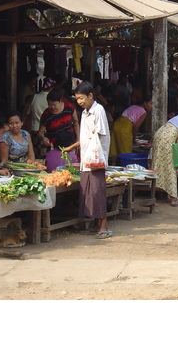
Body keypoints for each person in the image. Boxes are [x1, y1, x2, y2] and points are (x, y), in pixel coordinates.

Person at [69, 80, 112, 238]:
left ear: (90, 95)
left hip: (96, 159)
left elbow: (99, 135)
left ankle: (104, 226)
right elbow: (86, 137)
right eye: (77, 99)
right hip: (86, 158)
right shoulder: (85, 112)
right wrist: (73, 147)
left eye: (81, 98)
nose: (79, 102)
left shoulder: (98, 110)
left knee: (97, 192)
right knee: (88, 192)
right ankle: (95, 224)